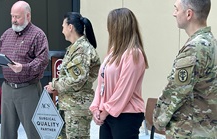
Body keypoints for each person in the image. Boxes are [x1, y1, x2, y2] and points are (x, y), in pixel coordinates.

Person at [0, 1, 49, 139]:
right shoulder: (7, 34)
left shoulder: (38, 35)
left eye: (17, 17)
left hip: (28, 89)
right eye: (12, 16)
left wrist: (23, 68)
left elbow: (42, 61)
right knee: (6, 133)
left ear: (28, 16)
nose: (14, 20)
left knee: (33, 132)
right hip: (7, 89)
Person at [153, 0, 217, 138]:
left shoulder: (195, 48)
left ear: (189, 14)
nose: (174, 14)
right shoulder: (210, 42)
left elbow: (177, 91)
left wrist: (159, 119)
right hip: (205, 129)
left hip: (189, 131)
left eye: (176, 9)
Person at [89, 8, 149, 139]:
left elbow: (124, 89)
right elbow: (102, 82)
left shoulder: (134, 54)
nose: (107, 30)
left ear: (119, 27)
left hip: (126, 116)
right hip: (107, 113)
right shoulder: (112, 52)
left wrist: (105, 111)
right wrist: (96, 108)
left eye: (110, 26)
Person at [44, 12, 100, 139]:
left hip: (77, 110)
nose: (62, 30)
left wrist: (54, 85)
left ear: (70, 27)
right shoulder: (74, 48)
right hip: (69, 106)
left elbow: (76, 80)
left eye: (63, 26)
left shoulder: (82, 49)